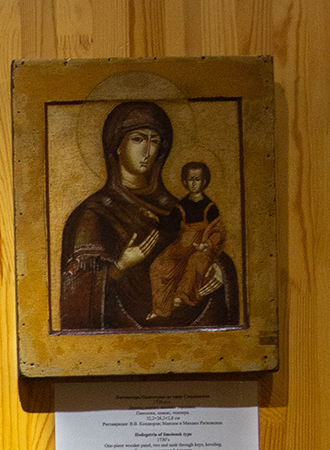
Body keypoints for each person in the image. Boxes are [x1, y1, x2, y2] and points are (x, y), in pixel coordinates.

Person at [59, 101, 239, 330]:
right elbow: (74, 288)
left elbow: (200, 244)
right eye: (138, 139)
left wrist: (219, 269)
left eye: (154, 142)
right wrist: (121, 265)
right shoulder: (94, 212)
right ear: (117, 146)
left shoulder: (176, 207)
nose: (147, 151)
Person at [149, 162, 227, 320]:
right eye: (190, 179)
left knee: (195, 261)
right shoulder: (182, 205)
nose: (194, 183)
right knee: (158, 265)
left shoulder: (210, 207)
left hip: (201, 249)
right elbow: (170, 224)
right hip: (181, 248)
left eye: (197, 179)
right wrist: (155, 218)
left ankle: (181, 296)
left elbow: (218, 231)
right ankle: (161, 308)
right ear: (184, 181)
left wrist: (207, 244)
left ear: (204, 181)